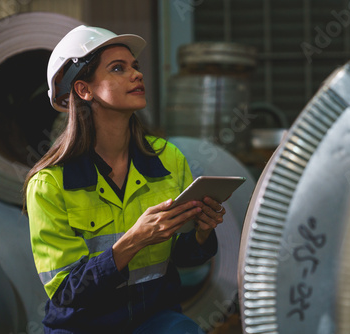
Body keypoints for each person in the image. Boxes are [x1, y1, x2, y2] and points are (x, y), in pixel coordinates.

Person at [23, 25, 225, 333]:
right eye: (118, 68)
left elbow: (183, 256)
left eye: (135, 67)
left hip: (153, 318)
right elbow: (67, 291)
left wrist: (201, 233)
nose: (137, 75)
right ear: (84, 90)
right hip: (81, 325)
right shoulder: (50, 184)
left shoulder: (168, 159)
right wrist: (134, 239)